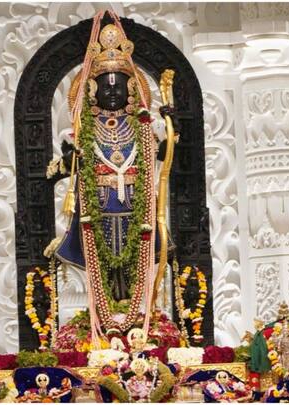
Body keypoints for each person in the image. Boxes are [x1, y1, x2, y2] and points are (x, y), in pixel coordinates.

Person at [51, 19, 176, 332]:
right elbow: (69, 166)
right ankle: (102, 322)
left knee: (137, 264)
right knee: (103, 266)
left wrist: (170, 130)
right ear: (91, 89)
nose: (110, 90)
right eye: (104, 85)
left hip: (136, 206)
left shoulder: (144, 126)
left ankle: (139, 318)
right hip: (100, 206)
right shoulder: (83, 130)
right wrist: (69, 159)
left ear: (130, 88)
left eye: (117, 84)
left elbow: (161, 156)